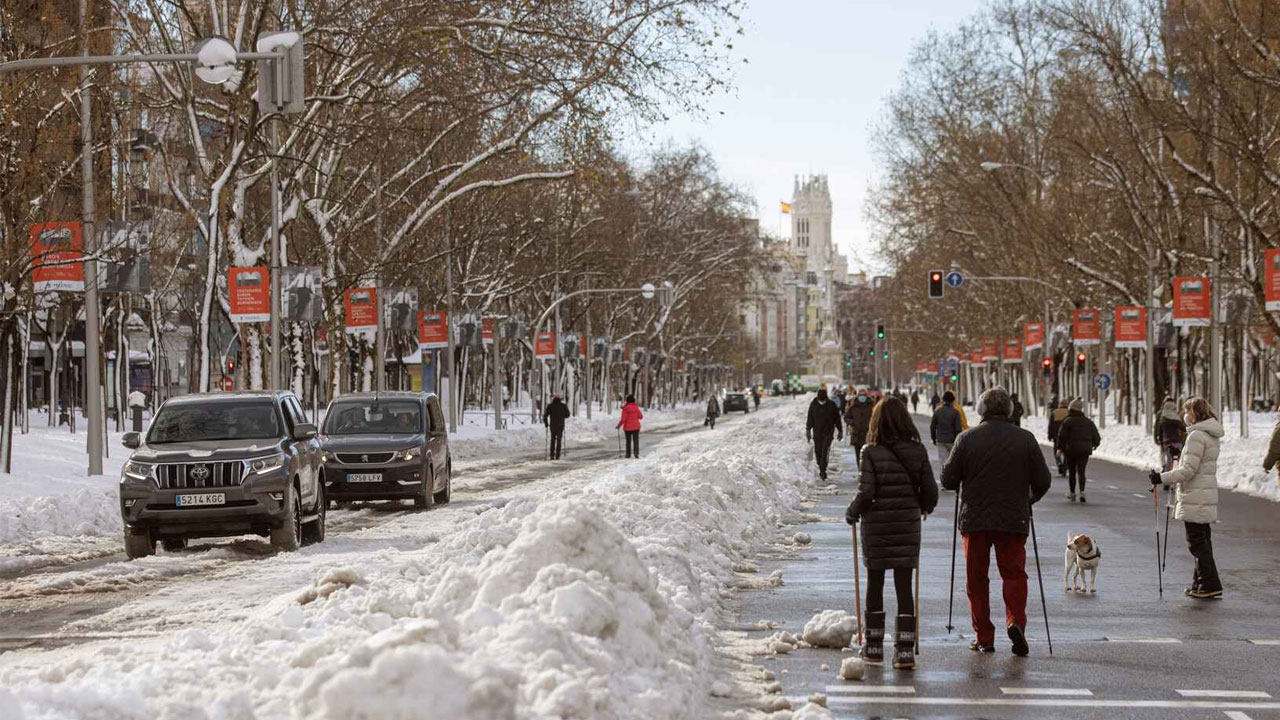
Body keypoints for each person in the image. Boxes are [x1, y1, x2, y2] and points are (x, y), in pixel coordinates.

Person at [941, 387, 1051, 657]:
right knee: (1014, 574)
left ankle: (984, 636)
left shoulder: (966, 439)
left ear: (981, 410)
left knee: (976, 580)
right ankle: (1015, 621)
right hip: (1013, 519)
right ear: (1010, 410)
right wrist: (1029, 500)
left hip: (975, 520)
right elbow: (1043, 480)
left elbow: (948, 480)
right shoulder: (1025, 439)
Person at [845, 397, 939, 670]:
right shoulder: (917, 450)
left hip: (876, 527)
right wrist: (924, 507)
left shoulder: (869, 451)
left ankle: (873, 647)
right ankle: (905, 651)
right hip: (907, 525)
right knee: (904, 585)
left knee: (875, 583)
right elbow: (930, 491)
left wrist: (852, 512)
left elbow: (866, 492)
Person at [1149, 397, 1224, 599]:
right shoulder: (1208, 433)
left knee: (1197, 544)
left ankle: (1209, 584)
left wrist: (1160, 478)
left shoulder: (1197, 435)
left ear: (1194, 413)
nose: (1185, 415)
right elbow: (1196, 461)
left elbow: (1188, 470)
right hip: (1202, 495)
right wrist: (1180, 452)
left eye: (1187, 411)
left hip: (1195, 496)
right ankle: (1201, 583)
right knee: (1202, 542)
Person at [1057, 398, 1100, 502]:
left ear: (1071, 409)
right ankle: (1082, 492)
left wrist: (1060, 448)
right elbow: (1096, 437)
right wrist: (1094, 445)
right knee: (1081, 471)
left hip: (1071, 450)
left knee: (1072, 472)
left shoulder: (1068, 421)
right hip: (1084, 450)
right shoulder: (1088, 422)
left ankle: (1072, 493)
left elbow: (1062, 436)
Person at [806, 388, 844, 480]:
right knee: (818, 451)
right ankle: (820, 465)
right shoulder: (814, 405)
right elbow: (810, 418)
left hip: (828, 432)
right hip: (817, 432)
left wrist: (840, 430)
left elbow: (837, 419)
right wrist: (808, 430)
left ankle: (823, 470)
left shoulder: (831, 405)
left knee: (825, 450)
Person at [929, 390, 963, 463]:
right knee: (952, 461)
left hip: (940, 440)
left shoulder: (937, 411)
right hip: (952, 441)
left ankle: (944, 473)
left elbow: (932, 427)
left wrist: (934, 438)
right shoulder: (955, 412)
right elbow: (958, 429)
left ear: (943, 400)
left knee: (943, 461)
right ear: (953, 400)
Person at [1155, 398, 1188, 471]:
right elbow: (1183, 428)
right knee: (1181, 459)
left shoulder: (1162, 419)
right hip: (1177, 442)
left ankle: (1167, 477)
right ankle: (1181, 474)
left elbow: (1160, 433)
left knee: (1169, 461)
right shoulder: (1176, 418)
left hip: (1166, 443)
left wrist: (1162, 444)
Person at [845, 390, 874, 466]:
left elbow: (876, 418)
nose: (862, 397)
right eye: (860, 395)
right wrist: (852, 422)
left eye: (864, 395)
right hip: (856, 435)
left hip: (867, 435)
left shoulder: (872, 406)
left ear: (866, 396)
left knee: (867, 456)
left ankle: (866, 472)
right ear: (858, 396)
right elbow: (846, 417)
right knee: (858, 456)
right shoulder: (853, 407)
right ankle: (860, 471)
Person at [543, 394, 571, 460]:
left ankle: (552, 455)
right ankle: (557, 455)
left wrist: (546, 424)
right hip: (560, 425)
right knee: (559, 440)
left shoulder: (550, 406)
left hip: (552, 426)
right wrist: (562, 416)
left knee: (552, 440)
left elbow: (545, 416)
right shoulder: (563, 406)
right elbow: (568, 415)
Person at [1047, 399, 1070, 476]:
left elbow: (1051, 425)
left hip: (1056, 436)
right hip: (1068, 437)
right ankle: (1065, 466)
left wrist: (1050, 435)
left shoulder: (1055, 412)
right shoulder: (1070, 413)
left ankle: (1059, 463)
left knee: (1057, 452)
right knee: (1067, 453)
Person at [617, 395, 644, 459]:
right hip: (636, 427)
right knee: (636, 441)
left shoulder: (625, 409)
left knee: (628, 441)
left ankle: (628, 454)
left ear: (627, 401)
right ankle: (636, 454)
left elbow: (623, 419)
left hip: (627, 428)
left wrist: (619, 426)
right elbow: (641, 417)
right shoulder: (636, 408)